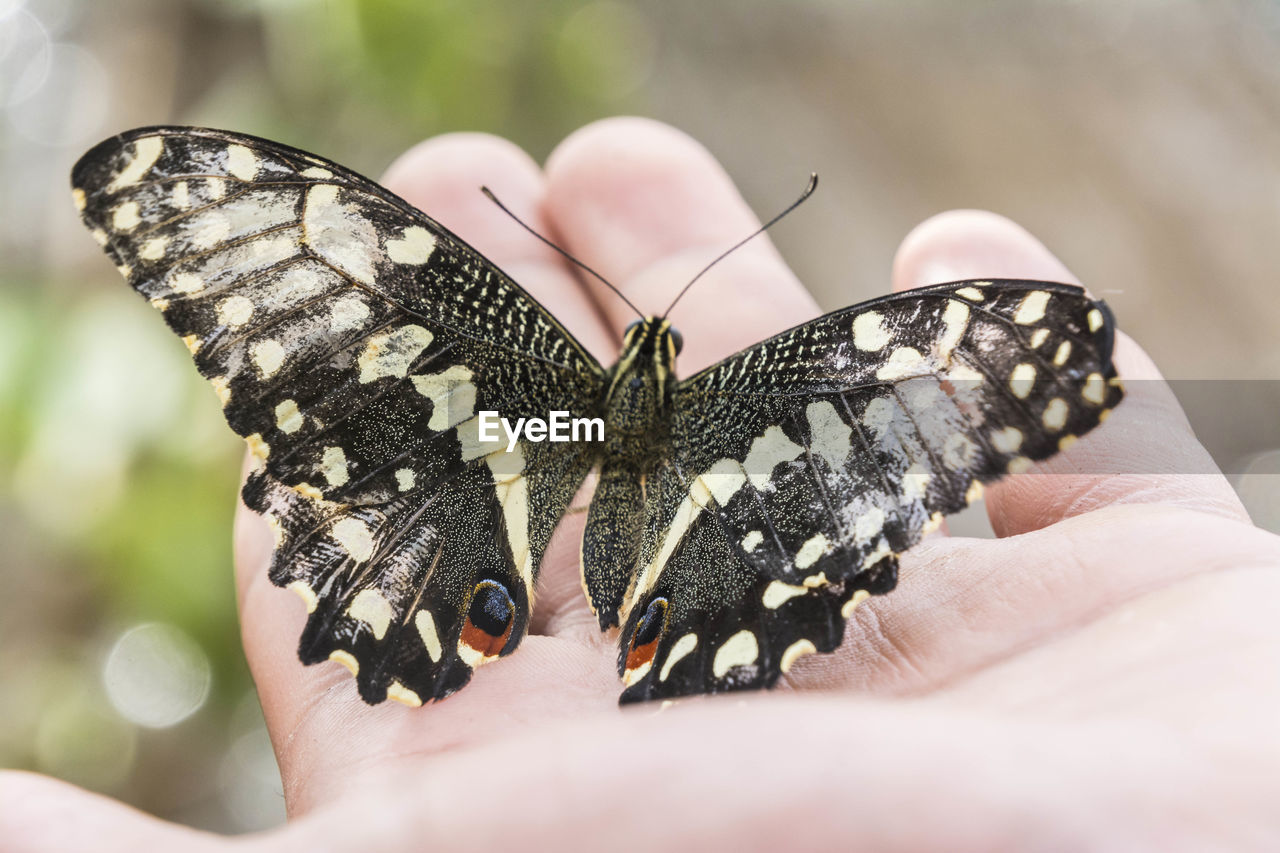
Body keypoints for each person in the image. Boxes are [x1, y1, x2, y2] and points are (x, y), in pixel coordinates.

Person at [4, 117, 1277, 851]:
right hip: (597, 478)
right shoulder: (750, 392)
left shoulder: (567, 382)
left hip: (541, 447)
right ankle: (569, 615)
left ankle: (576, 614)